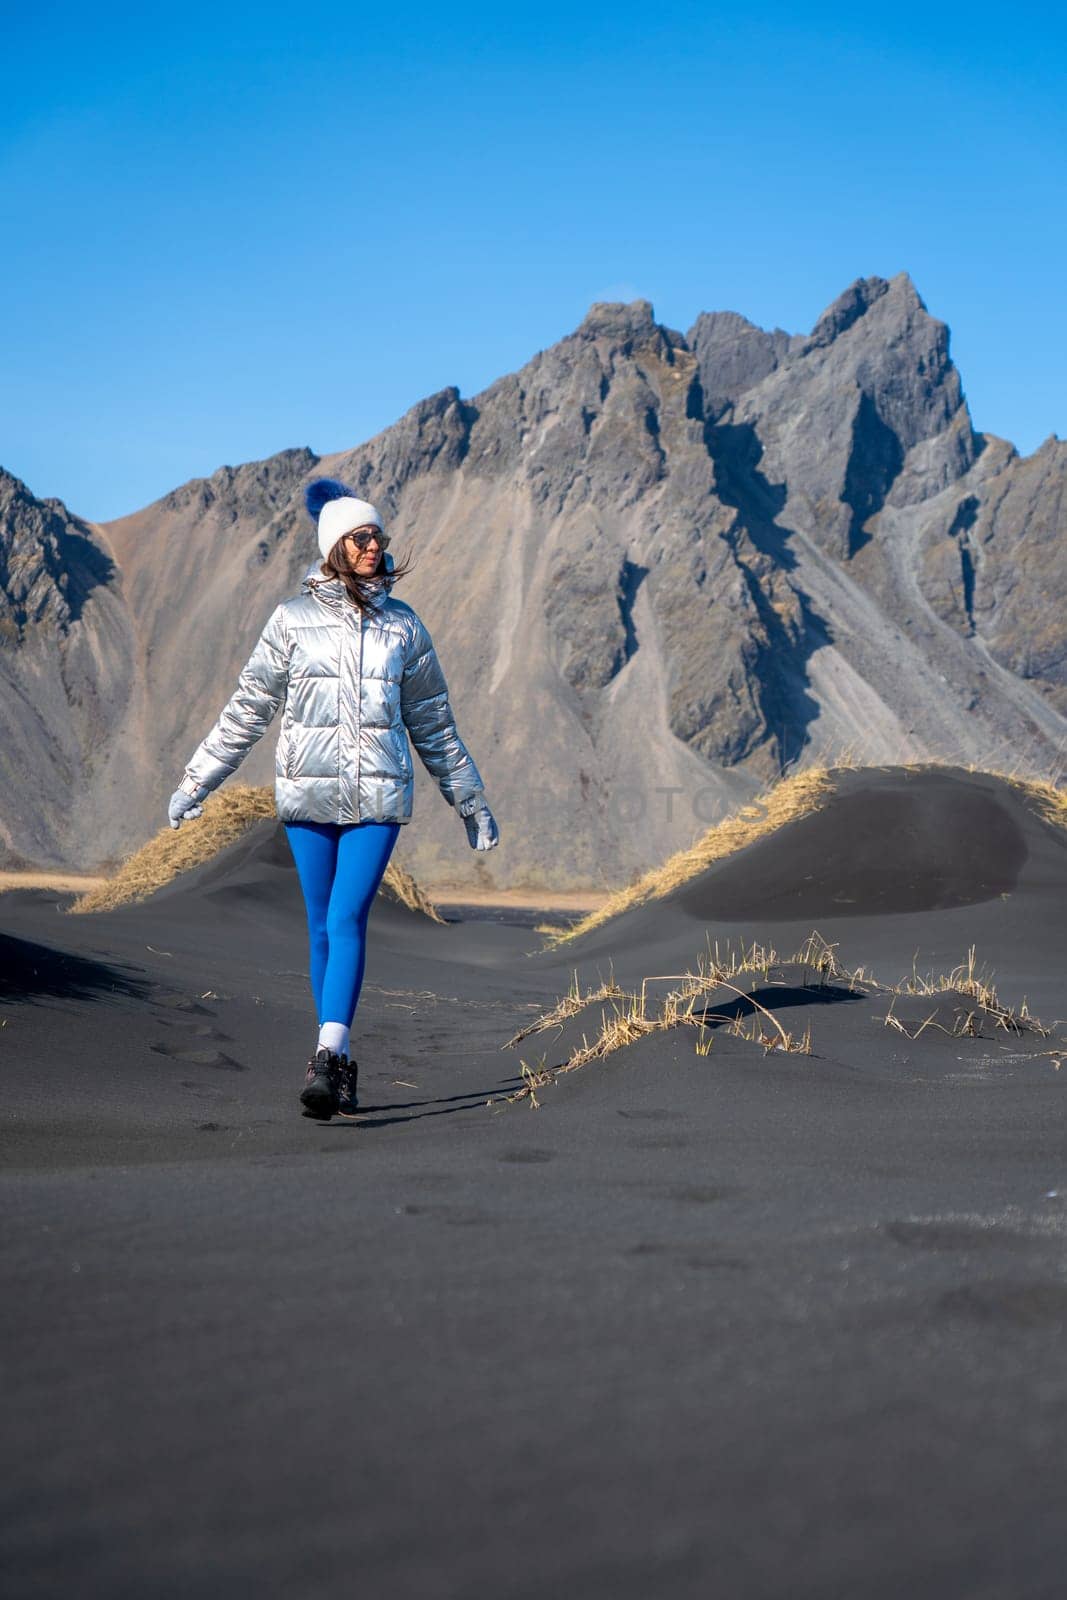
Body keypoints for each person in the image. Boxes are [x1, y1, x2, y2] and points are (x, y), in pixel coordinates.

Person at [166, 477, 499, 1121]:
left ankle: (326, 1053)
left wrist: (470, 801)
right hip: (307, 796)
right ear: (334, 547)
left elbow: (433, 722)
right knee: (320, 927)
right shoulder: (290, 622)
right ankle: (339, 1069)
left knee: (347, 918)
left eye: (379, 535)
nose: (375, 545)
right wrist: (195, 781)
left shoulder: (404, 627)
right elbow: (246, 711)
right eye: (362, 536)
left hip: (378, 798)